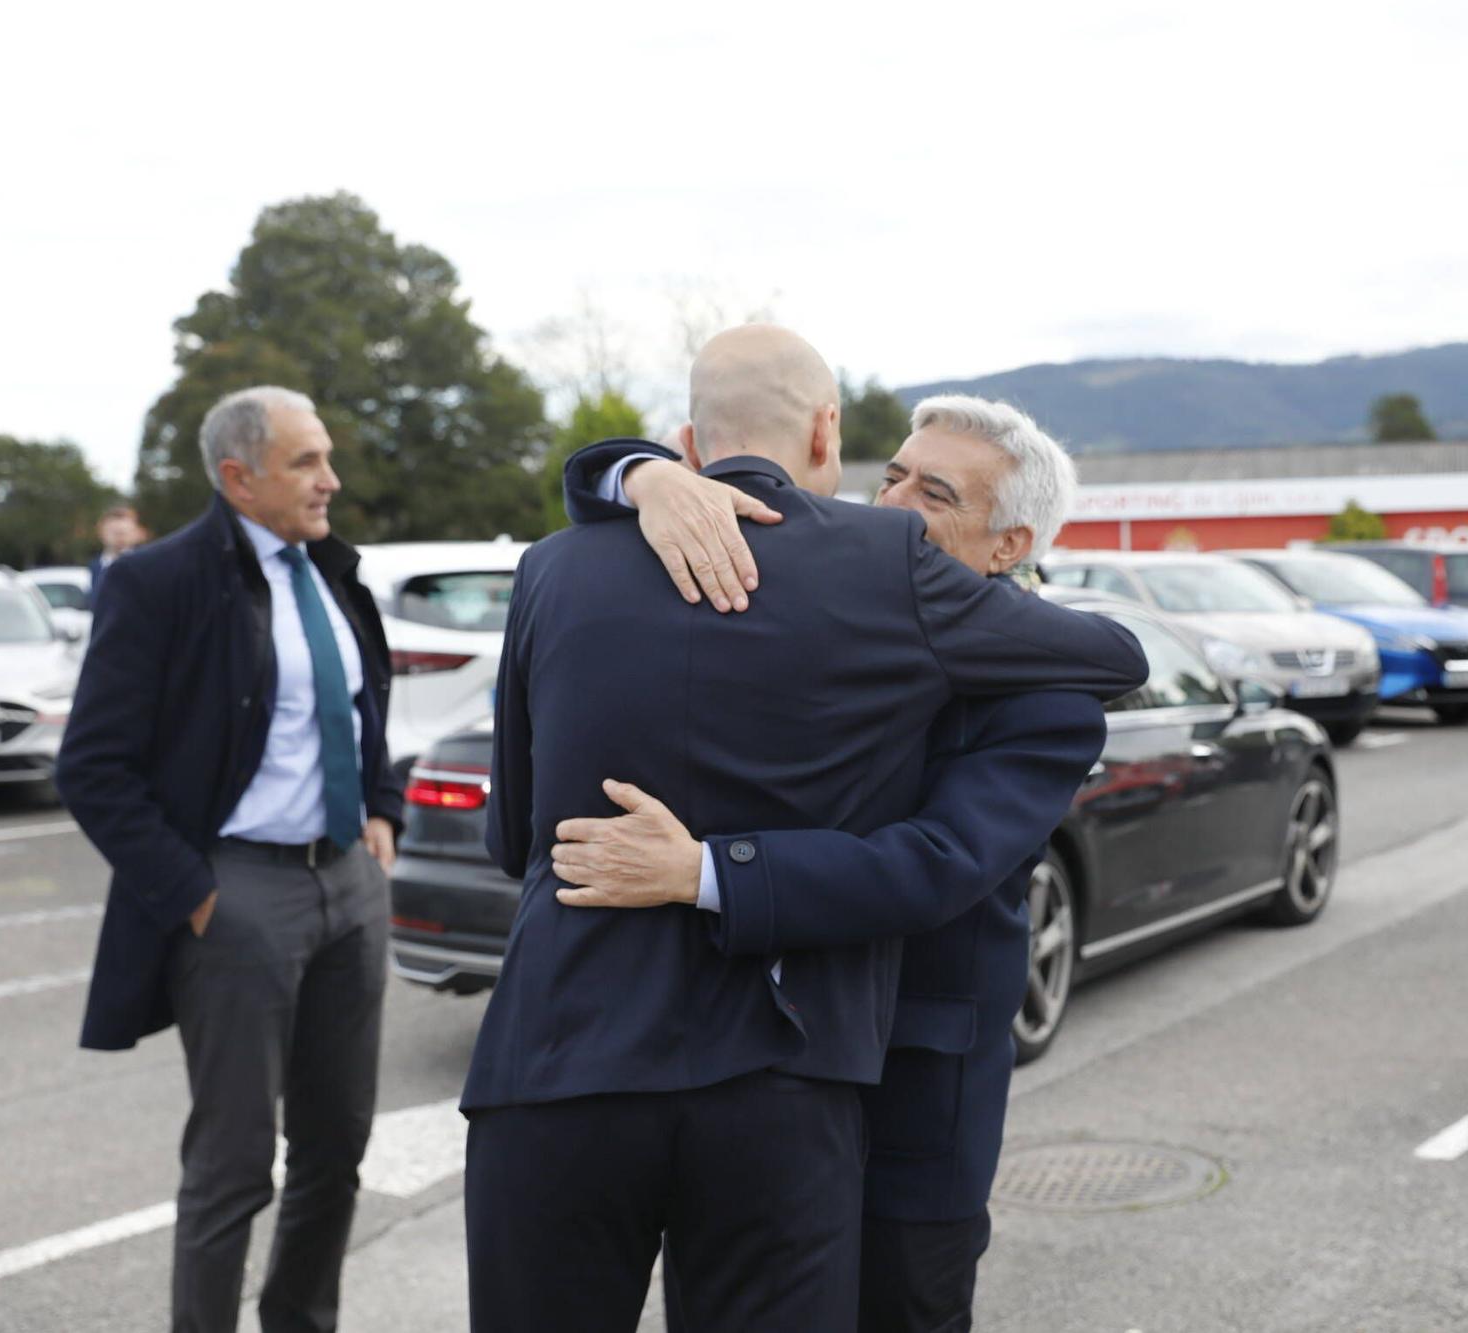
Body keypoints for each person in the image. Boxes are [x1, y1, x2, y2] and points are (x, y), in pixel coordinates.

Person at [462, 327, 1147, 1333]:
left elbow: (938, 861)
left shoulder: (1022, 682)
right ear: (830, 434)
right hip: (767, 1080)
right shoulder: (859, 569)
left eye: (935, 497)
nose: (897, 508)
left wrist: (703, 869)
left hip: (896, 1106)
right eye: (896, 478)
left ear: (1012, 547)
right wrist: (638, 476)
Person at [56, 386, 403, 1333]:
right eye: (305, 463)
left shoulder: (331, 568)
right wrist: (196, 895)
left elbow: (361, 703)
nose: (330, 480)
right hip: (237, 894)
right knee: (234, 1164)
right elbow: (91, 767)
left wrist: (382, 808)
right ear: (237, 477)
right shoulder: (160, 581)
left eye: (327, 457)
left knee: (336, 1150)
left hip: (346, 885)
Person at [87, 503, 146, 606]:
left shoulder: (147, 565)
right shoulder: (94, 567)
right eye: (114, 532)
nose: (120, 537)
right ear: (101, 533)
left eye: (124, 532)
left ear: (136, 533)